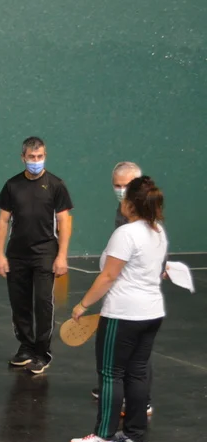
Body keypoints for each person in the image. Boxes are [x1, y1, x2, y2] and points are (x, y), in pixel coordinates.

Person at [69, 177, 166, 442]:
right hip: (152, 313)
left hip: (123, 315)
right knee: (137, 373)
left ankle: (105, 436)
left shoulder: (126, 234)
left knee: (111, 374)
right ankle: (134, 435)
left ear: (130, 204)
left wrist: (83, 305)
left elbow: (108, 276)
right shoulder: (158, 231)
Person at [0, 136, 73, 375]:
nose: (36, 161)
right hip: (17, 254)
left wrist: (62, 256)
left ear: (45, 156)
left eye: (40, 157)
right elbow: (3, 221)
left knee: (42, 302)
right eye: (31, 157)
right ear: (23, 158)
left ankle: (42, 352)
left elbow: (64, 221)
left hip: (45, 253)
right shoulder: (12, 185)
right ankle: (26, 347)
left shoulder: (56, 185)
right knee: (19, 303)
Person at [94, 162, 153, 414]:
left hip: (137, 297)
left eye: (126, 185)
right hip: (126, 290)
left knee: (137, 355)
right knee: (127, 352)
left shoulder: (146, 212)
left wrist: (84, 304)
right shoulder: (123, 209)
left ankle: (140, 400)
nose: (121, 190)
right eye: (117, 185)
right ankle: (119, 390)